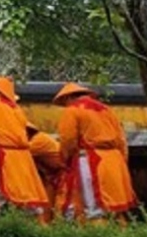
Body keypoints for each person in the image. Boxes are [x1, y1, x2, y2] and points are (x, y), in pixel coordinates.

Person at [53, 82, 138, 225]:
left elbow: (68, 140)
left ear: (68, 97)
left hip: (91, 161)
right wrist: (122, 162)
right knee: (116, 208)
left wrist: (64, 159)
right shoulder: (107, 110)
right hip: (114, 162)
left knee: (93, 206)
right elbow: (121, 140)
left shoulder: (72, 110)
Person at [0, 76, 50, 219]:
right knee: (25, 193)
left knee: (0, 194)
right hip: (23, 158)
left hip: (4, 155)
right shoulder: (17, 109)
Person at [26, 123, 66, 223]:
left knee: (59, 205)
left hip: (62, 174)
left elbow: (21, 154)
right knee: (47, 204)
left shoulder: (39, 140)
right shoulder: (36, 139)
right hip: (51, 176)